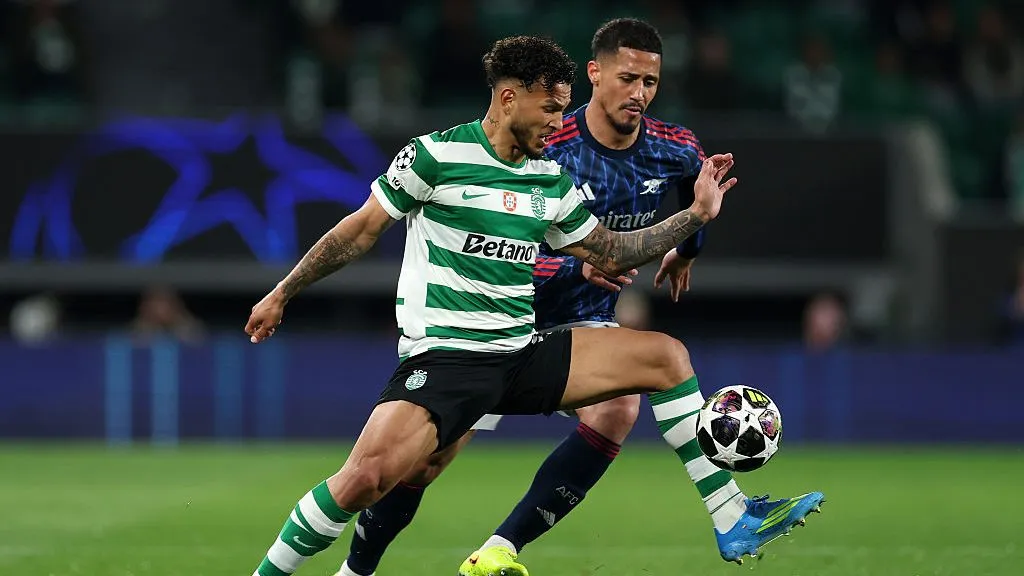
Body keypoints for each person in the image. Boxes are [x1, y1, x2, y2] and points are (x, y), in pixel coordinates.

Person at [334, 20, 825, 576]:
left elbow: (698, 194)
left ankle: (506, 546)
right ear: (594, 74)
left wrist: (689, 250)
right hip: (495, 325)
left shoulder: (674, 148)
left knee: (621, 405)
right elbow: (502, 239)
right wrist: (579, 260)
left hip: (579, 326)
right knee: (420, 467)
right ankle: (355, 570)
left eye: (650, 82)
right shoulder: (548, 141)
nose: (639, 93)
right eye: (627, 78)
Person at [246, 34, 738, 576]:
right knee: (366, 480)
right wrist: (282, 292)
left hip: (521, 354)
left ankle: (730, 516)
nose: (559, 123)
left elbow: (614, 251)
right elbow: (358, 233)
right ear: (508, 99)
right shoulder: (435, 156)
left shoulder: (548, 180)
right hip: (448, 362)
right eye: (549, 109)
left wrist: (693, 217)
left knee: (664, 359)